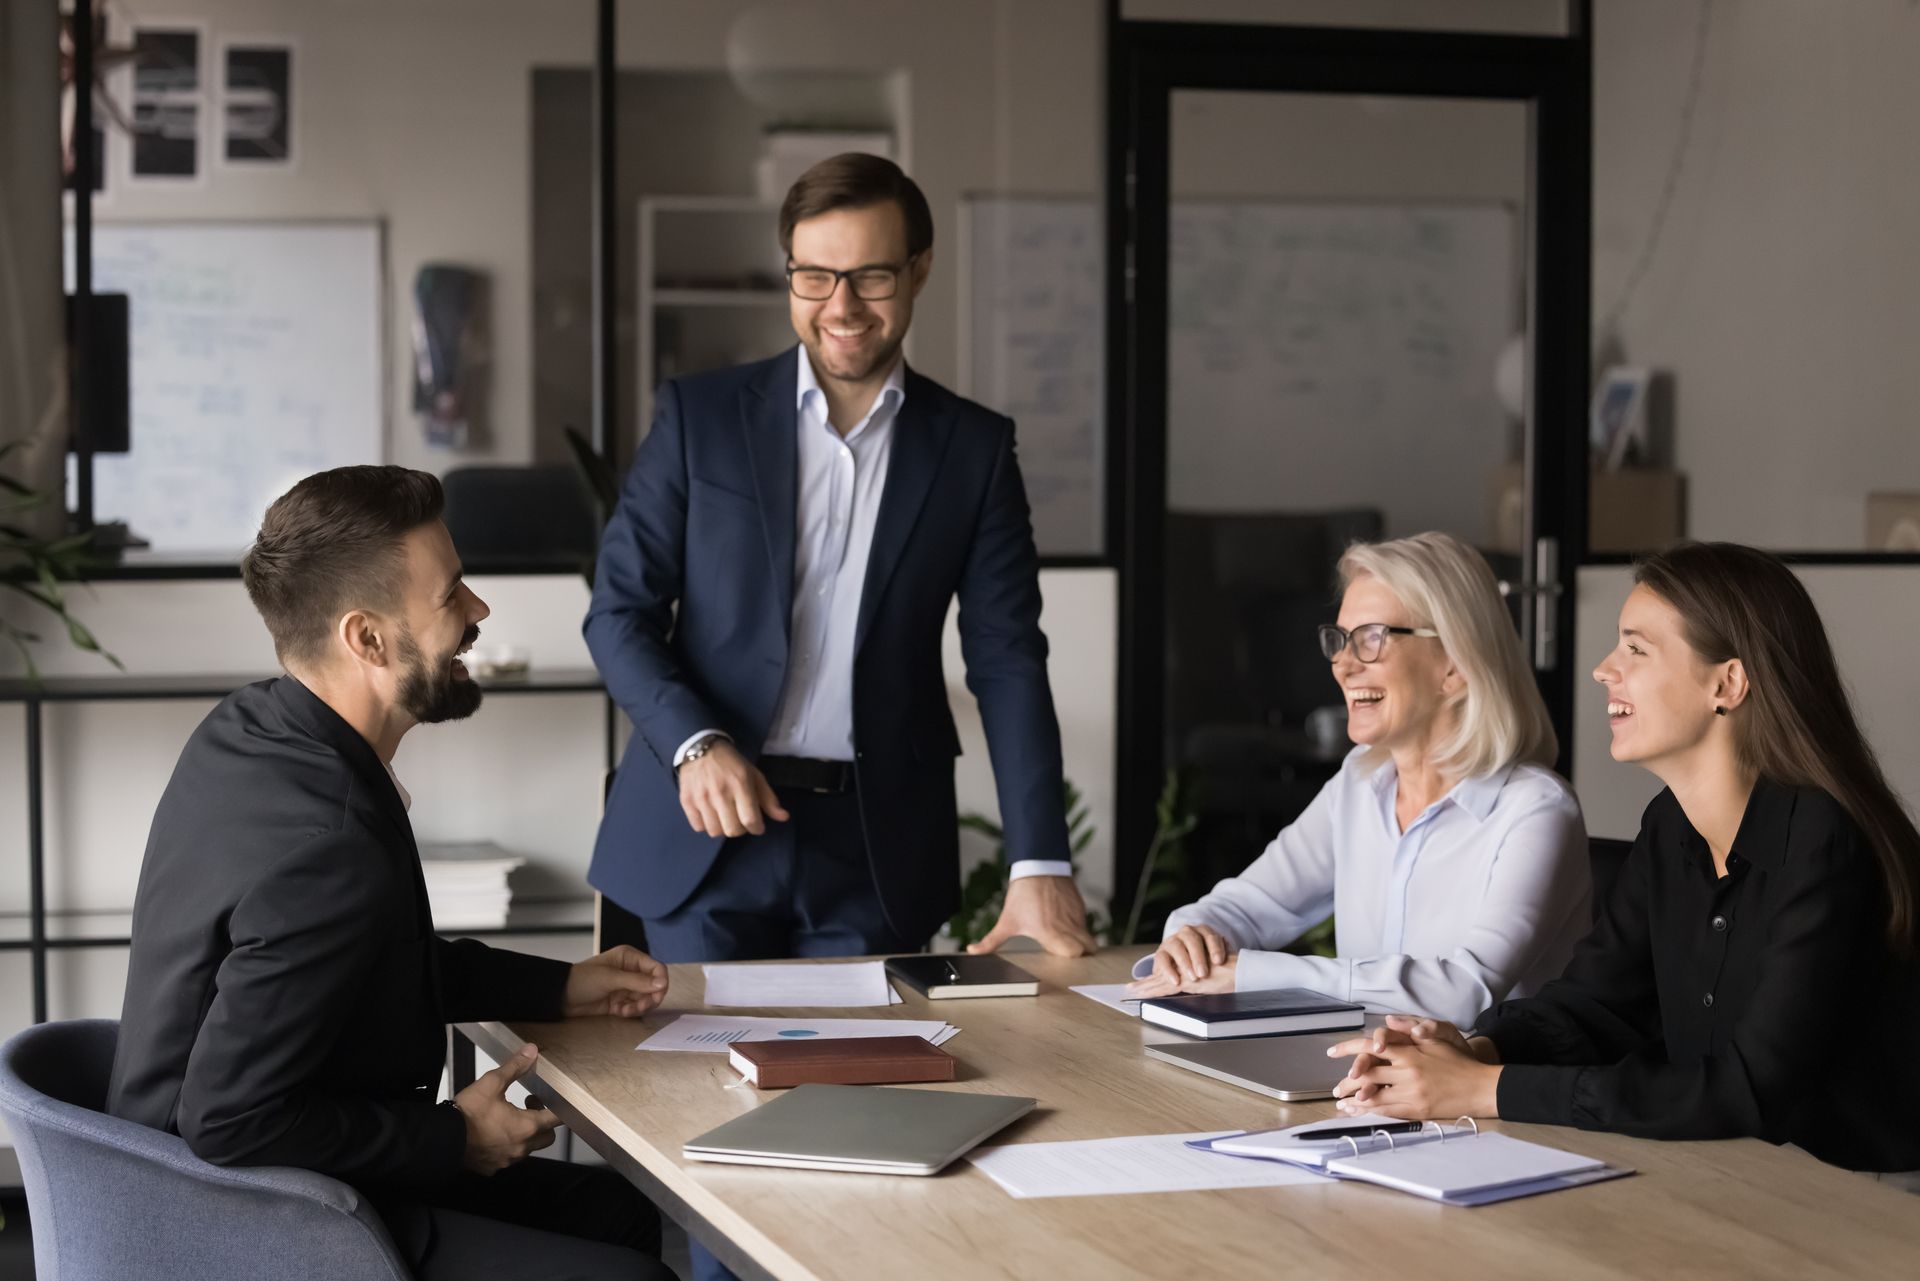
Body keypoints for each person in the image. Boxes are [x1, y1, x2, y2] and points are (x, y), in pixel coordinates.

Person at [107, 466, 675, 1280]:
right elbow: (231, 1121)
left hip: (203, 1171)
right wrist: (457, 1138)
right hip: (240, 1213)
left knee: (613, 1212)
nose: (478, 611)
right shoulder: (328, 842)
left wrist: (562, 987)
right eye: (451, 597)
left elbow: (372, 962)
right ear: (368, 639)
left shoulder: (252, 727)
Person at [584, 152, 1094, 966]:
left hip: (875, 847)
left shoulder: (974, 450)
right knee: (694, 1089)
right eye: (814, 276)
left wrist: (1038, 859)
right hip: (705, 825)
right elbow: (619, 611)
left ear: (919, 270)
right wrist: (694, 743)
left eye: (870, 276)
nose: (842, 306)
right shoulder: (700, 417)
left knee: (863, 1083)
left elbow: (1006, 657)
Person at [1329, 542, 1920, 1184]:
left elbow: (1748, 1088)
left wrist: (1483, 1090)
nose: (1605, 670)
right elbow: (1595, 1006)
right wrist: (1470, 1049)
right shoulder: (1669, 826)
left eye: (1636, 649)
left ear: (1727, 683)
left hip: (1872, 1203)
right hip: (1736, 1179)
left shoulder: (1822, 839)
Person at [1125, 532, 1589, 1028]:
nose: (1343, 664)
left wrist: (1254, 975)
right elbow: (1254, 904)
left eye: (1371, 638)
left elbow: (1463, 991)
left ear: (1454, 665)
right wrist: (1193, 935)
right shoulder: (1359, 783)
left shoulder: (1537, 810)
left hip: (1483, 1100)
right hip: (1359, 1081)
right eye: (1340, 639)